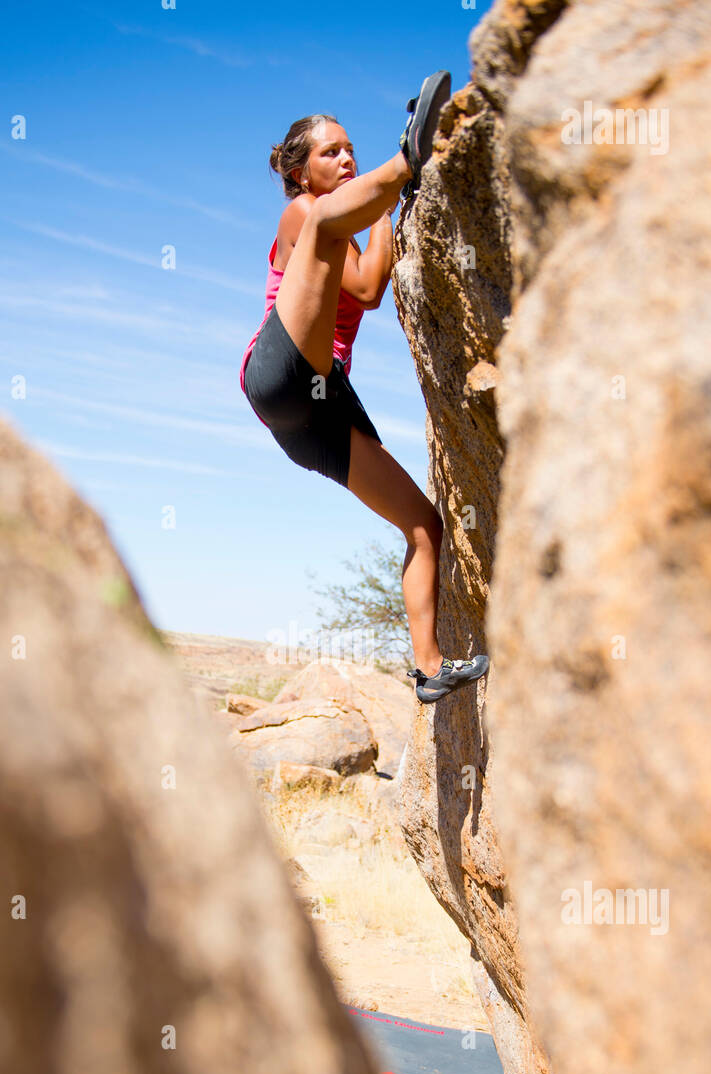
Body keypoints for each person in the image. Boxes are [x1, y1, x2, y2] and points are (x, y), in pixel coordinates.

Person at [239, 71, 489, 704]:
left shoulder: (340, 227)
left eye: (351, 149)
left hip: (317, 413)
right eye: (332, 152)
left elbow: (371, 288)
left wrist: (387, 215)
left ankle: (430, 669)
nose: (346, 157)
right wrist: (405, 168)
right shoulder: (304, 215)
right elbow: (345, 262)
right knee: (328, 224)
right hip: (279, 373)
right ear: (300, 173)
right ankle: (407, 150)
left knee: (424, 525)